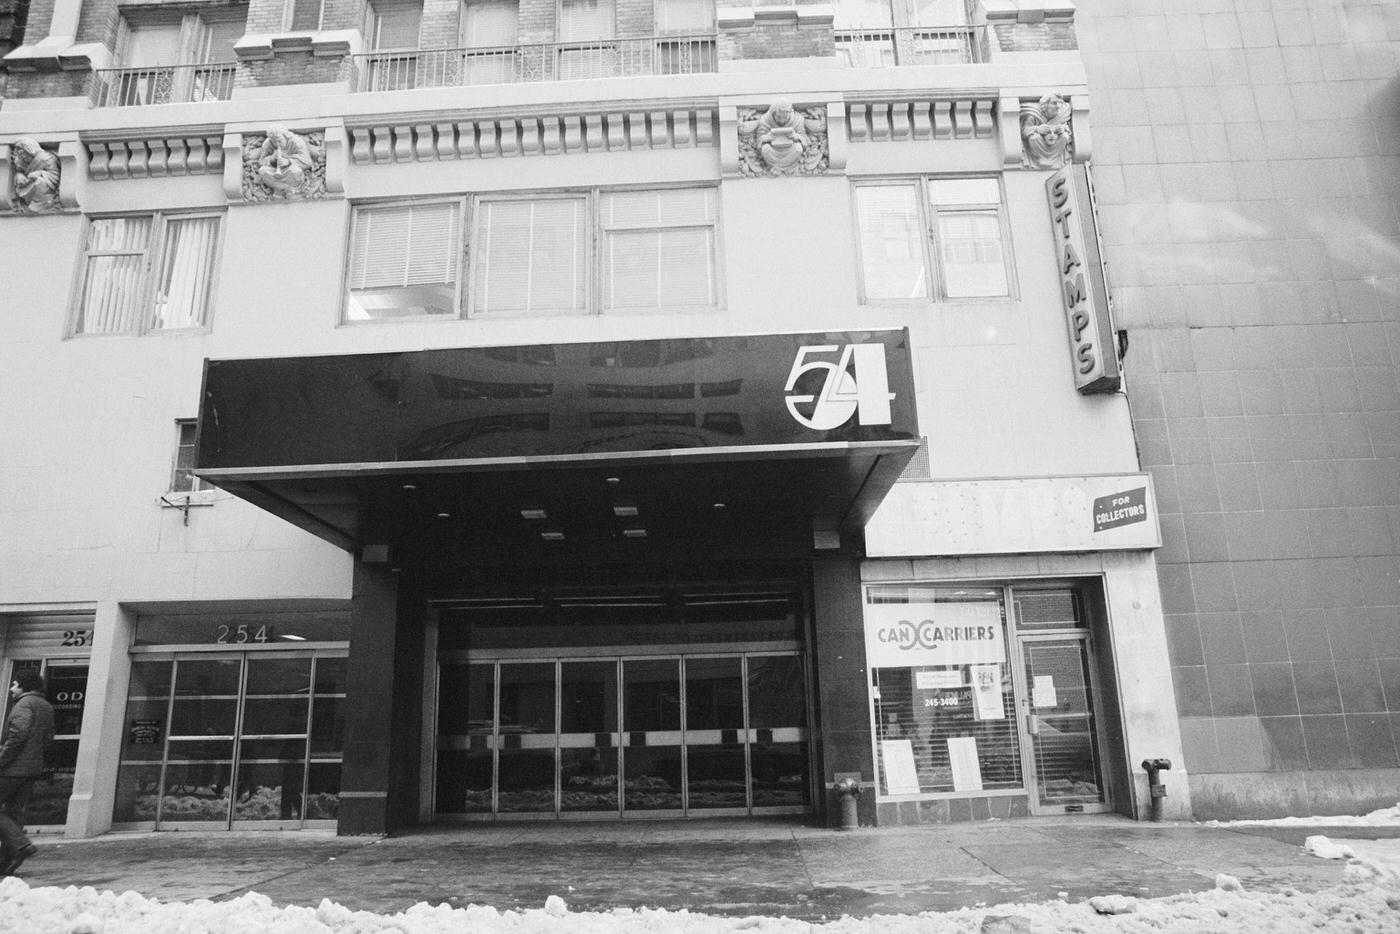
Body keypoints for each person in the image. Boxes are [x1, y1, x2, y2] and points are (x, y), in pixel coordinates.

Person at [0, 670, 56, 877]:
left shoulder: (24, 705)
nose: (12, 689)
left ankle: (21, 845)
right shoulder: (46, 706)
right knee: (13, 812)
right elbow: (49, 737)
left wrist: (2, 759)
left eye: (15, 685)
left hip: (13, 768)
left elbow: (18, 735)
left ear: (24, 686)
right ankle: (8, 858)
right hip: (32, 768)